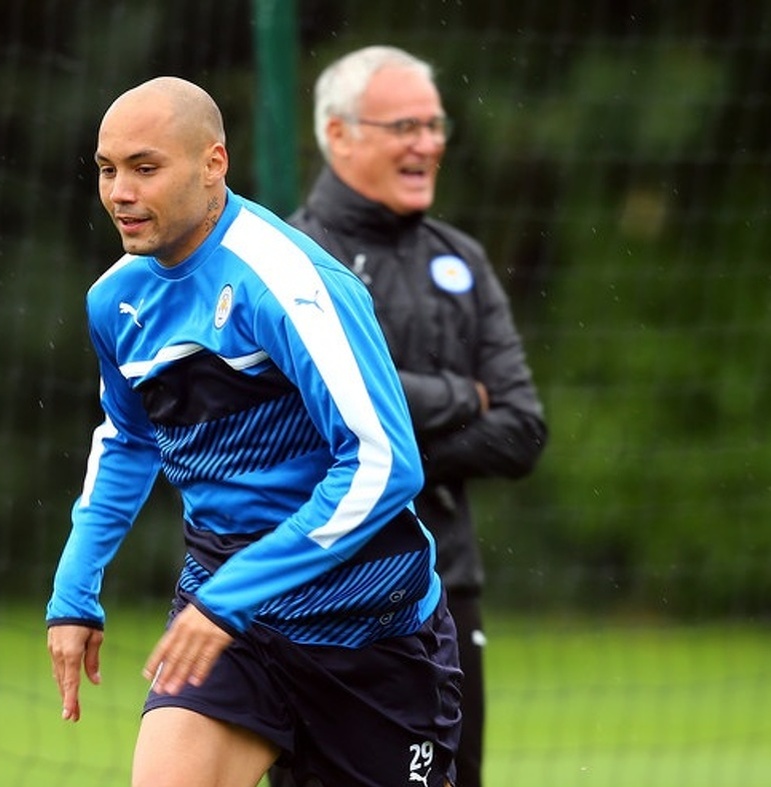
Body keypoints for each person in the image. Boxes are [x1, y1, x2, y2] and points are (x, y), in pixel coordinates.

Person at [45, 76, 463, 787]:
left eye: (146, 168)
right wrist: (75, 586)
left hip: (369, 630)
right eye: (108, 170)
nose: (120, 192)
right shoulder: (115, 299)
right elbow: (129, 438)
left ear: (215, 163)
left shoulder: (291, 283)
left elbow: (383, 464)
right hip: (228, 625)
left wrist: (236, 592)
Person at [271, 46, 548, 787]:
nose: (428, 143)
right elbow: (305, 419)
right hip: (313, 589)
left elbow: (521, 430)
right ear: (338, 133)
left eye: (434, 124)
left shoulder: (464, 260)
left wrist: (375, 414)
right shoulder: (290, 262)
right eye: (404, 126)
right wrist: (462, 397)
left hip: (442, 589)